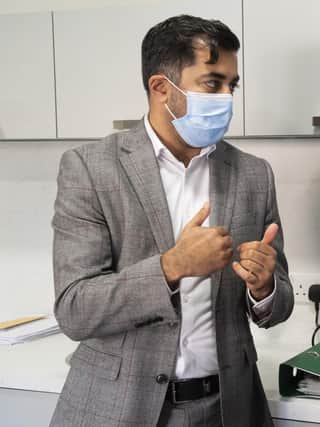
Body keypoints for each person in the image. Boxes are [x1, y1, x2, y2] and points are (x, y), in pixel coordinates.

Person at [50, 15, 293, 427]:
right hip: (117, 407)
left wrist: (265, 286)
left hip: (227, 407)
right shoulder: (90, 168)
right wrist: (172, 266)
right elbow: (75, 309)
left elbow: (279, 304)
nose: (227, 98)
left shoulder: (253, 174)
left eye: (231, 86)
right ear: (161, 88)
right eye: (212, 84)